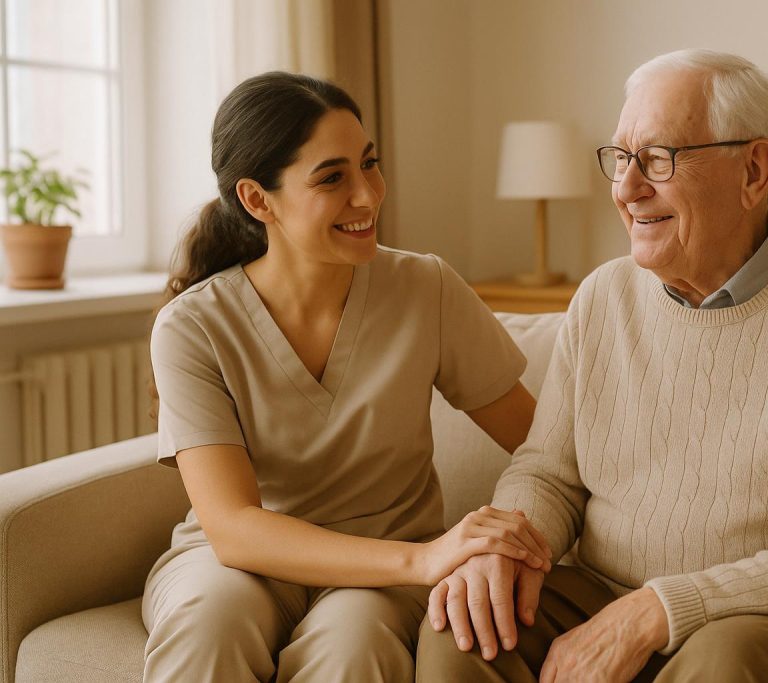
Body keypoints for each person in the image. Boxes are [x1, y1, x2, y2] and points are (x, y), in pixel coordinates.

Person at [416, 49, 768, 682]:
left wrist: (661, 608)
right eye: (622, 158)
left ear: (754, 171)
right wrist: (506, 545)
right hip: (611, 588)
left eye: (659, 159)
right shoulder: (603, 297)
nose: (627, 189)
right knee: (465, 626)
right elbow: (550, 472)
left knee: (721, 661)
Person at [142, 71, 553, 683]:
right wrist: (424, 559)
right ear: (258, 200)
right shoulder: (191, 326)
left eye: (370, 164)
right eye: (332, 178)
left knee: (354, 645)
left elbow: (542, 445)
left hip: (381, 580)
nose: (368, 195)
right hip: (238, 566)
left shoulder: (426, 288)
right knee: (210, 622)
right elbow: (232, 529)